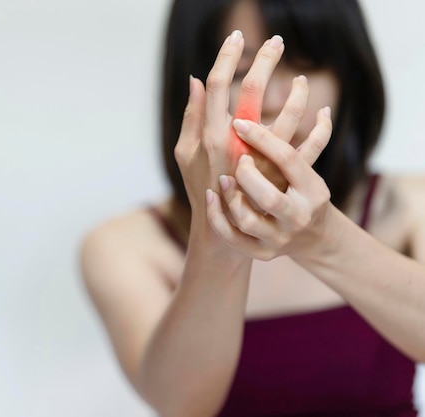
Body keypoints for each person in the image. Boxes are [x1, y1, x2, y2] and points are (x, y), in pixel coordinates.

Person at [80, 0, 425, 416]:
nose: (277, 100)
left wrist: (323, 236)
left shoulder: (409, 204)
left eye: (304, 66)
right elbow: (180, 405)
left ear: (348, 77)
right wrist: (219, 231)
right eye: (242, 73)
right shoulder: (125, 244)